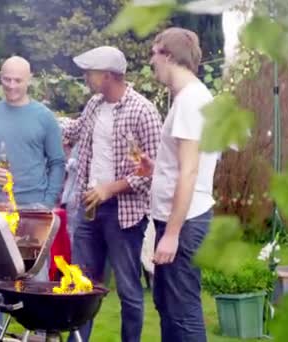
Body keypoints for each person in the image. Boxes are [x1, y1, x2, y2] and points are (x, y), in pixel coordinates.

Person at [62, 46, 162, 342]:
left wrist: (109, 189)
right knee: (81, 286)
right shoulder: (94, 104)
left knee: (129, 290)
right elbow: (74, 131)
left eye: (89, 72)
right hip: (88, 208)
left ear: (107, 75)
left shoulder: (143, 111)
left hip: (124, 215)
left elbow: (153, 172)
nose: (85, 77)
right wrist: (48, 121)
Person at [0, 56, 66, 338]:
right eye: (6, 80)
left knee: (36, 282)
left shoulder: (43, 117)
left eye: (17, 80)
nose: (11, 86)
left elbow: (57, 162)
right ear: (0, 77)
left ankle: (39, 337)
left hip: (33, 210)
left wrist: (46, 202)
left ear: (29, 79)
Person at [140, 27, 218, 342]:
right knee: (169, 308)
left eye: (154, 54)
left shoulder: (191, 100)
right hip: (178, 221)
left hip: (183, 225)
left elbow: (190, 172)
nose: (151, 62)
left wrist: (171, 235)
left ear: (169, 55)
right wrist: (156, 170)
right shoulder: (188, 98)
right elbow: (182, 167)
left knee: (182, 313)